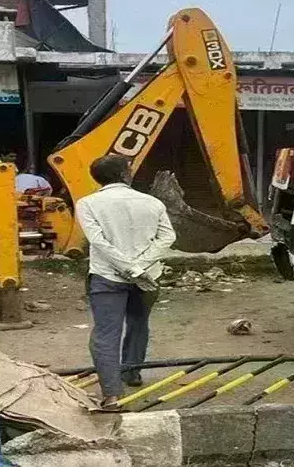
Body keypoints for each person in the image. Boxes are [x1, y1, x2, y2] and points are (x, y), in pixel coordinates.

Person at [75, 154, 176, 408]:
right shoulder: (152, 203)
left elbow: (98, 241)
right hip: (148, 277)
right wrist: (139, 266)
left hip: (108, 276)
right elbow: (167, 237)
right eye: (129, 168)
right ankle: (132, 371)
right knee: (139, 324)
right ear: (124, 174)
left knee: (106, 334)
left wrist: (128, 267)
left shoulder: (87, 203)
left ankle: (112, 394)